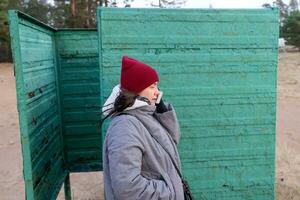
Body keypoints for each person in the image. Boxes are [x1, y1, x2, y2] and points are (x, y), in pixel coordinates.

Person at [102, 56, 184, 200]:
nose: (157, 92)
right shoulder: (124, 128)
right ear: (136, 90)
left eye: (157, 86)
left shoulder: (145, 115)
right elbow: (128, 188)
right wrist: (172, 191)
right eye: (152, 86)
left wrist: (162, 110)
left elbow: (171, 142)